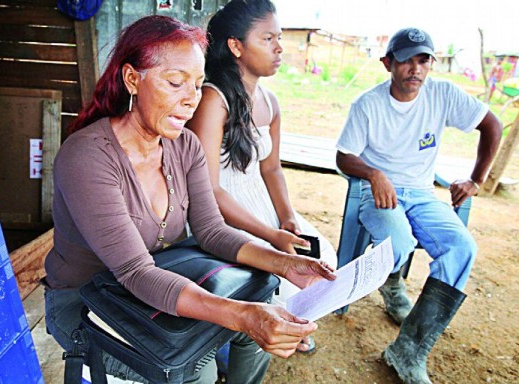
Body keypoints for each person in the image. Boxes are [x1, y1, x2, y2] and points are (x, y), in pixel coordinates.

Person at [42, 15, 336, 384]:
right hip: (88, 302)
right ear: (133, 79)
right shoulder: (89, 157)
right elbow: (135, 272)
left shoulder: (184, 145)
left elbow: (212, 230)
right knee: (198, 369)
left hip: (159, 275)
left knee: (261, 315)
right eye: (176, 83)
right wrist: (242, 314)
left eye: (197, 86)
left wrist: (284, 264)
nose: (190, 101)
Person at [335, 28, 502, 384]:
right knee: (398, 243)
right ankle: (393, 281)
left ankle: (408, 351)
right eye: (406, 60)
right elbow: (343, 156)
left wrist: (475, 179)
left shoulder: (442, 94)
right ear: (388, 64)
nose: (415, 68)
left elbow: (491, 125)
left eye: (423, 59)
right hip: (377, 192)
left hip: (423, 194)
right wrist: (374, 173)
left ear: (431, 64)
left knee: (462, 248)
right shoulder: (368, 104)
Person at [186, 0, 338, 354]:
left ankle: (285, 324)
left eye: (279, 37)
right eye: (267, 38)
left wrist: (286, 218)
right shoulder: (213, 100)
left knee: (322, 255)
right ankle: (252, 336)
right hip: (223, 214)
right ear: (236, 46)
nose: (280, 47)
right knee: (276, 274)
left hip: (263, 206)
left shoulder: (269, 101)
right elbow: (208, 190)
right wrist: (270, 234)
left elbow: (271, 169)